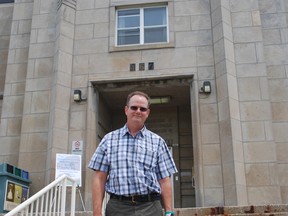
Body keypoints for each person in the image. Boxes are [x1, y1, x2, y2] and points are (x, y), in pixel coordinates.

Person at [88, 91, 177, 216]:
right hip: (118, 208)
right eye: (134, 107)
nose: (138, 111)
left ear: (148, 113)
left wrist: (169, 211)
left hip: (150, 208)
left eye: (143, 108)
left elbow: (164, 180)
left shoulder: (158, 142)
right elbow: (99, 178)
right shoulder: (108, 140)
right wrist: (97, 213)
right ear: (126, 110)